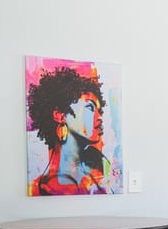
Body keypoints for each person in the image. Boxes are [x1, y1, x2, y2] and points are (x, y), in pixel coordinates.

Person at [27, 67, 114, 195]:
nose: (99, 117)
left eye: (99, 111)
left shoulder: (99, 172)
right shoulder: (38, 189)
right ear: (60, 115)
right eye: (90, 107)